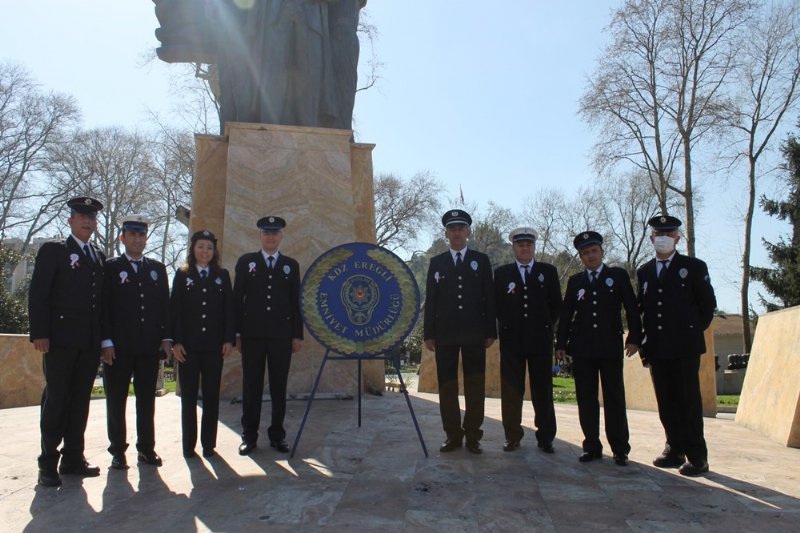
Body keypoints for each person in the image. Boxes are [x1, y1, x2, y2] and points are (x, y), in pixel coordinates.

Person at [28, 196, 105, 487]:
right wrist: (40, 332)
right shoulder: (54, 250)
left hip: (87, 343)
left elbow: (99, 304)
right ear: (70, 220)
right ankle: (48, 462)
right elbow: (39, 294)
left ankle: (74, 458)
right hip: (59, 340)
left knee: (80, 402)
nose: (87, 221)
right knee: (57, 399)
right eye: (81, 216)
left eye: (91, 217)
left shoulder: (96, 256)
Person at [637, 215, 716, 477]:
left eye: (669, 233)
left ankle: (697, 456)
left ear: (677, 237)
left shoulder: (693, 267)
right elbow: (644, 309)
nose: (663, 237)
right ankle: (674, 448)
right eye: (658, 233)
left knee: (688, 401)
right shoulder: (645, 271)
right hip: (658, 348)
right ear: (651, 238)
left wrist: (690, 332)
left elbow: (706, 307)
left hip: (684, 347)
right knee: (666, 401)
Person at [555, 231, 641, 466]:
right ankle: (591, 445)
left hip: (610, 347)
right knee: (586, 398)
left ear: (602, 252)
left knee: (614, 397)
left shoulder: (618, 276)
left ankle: (620, 448)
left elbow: (631, 308)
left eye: (594, 251)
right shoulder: (576, 282)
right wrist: (560, 344)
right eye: (585, 253)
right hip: (582, 348)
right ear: (581, 257)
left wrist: (635, 336)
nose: (590, 256)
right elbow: (566, 315)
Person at [101, 215, 171, 469]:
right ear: (122, 238)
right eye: (132, 235)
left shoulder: (157, 269)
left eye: (141, 235)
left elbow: (164, 306)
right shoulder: (110, 267)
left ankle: (146, 448)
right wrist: (106, 341)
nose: (138, 239)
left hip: (148, 347)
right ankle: (118, 451)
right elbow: (104, 307)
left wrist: (165, 338)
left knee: (146, 400)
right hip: (118, 348)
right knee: (116, 400)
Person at [423, 210, 496, 454]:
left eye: (460, 228)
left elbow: (489, 298)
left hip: (475, 334)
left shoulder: (481, 260)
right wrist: (429, 334)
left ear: (468, 232)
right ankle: (453, 435)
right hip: (445, 334)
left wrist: (490, 331)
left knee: (475, 386)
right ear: (446, 233)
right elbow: (431, 301)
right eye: (452, 229)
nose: (456, 232)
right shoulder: (437, 262)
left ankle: (473, 435)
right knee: (447, 386)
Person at [233, 216, 303, 455]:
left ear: (281, 236)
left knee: (278, 387)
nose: (270, 237)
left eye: (275, 233)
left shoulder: (290, 265)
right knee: (251, 387)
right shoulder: (247, 262)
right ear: (260, 236)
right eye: (266, 233)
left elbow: (295, 302)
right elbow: (237, 299)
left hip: (281, 337)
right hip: (252, 336)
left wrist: (297, 335)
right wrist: (237, 334)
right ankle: (249, 437)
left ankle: (277, 435)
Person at [494, 227, 562, 453]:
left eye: (529, 245)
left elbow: (555, 305)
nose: (525, 248)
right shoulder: (502, 273)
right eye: (520, 245)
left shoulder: (548, 271)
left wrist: (543, 326)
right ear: (513, 247)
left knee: (542, 390)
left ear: (534, 247)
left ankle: (546, 437)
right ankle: (512, 436)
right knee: (511, 390)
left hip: (540, 340)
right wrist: (507, 325)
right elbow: (497, 305)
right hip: (512, 340)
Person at [169, 230, 235, 459]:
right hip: (188, 347)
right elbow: (174, 311)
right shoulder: (182, 274)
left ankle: (209, 445)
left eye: (209, 247)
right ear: (193, 249)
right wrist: (176, 342)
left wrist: (228, 339)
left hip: (214, 347)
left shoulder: (222, 275)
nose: (205, 251)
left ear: (214, 251)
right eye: (201, 247)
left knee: (211, 397)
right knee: (188, 398)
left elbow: (229, 310)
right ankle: (189, 446)